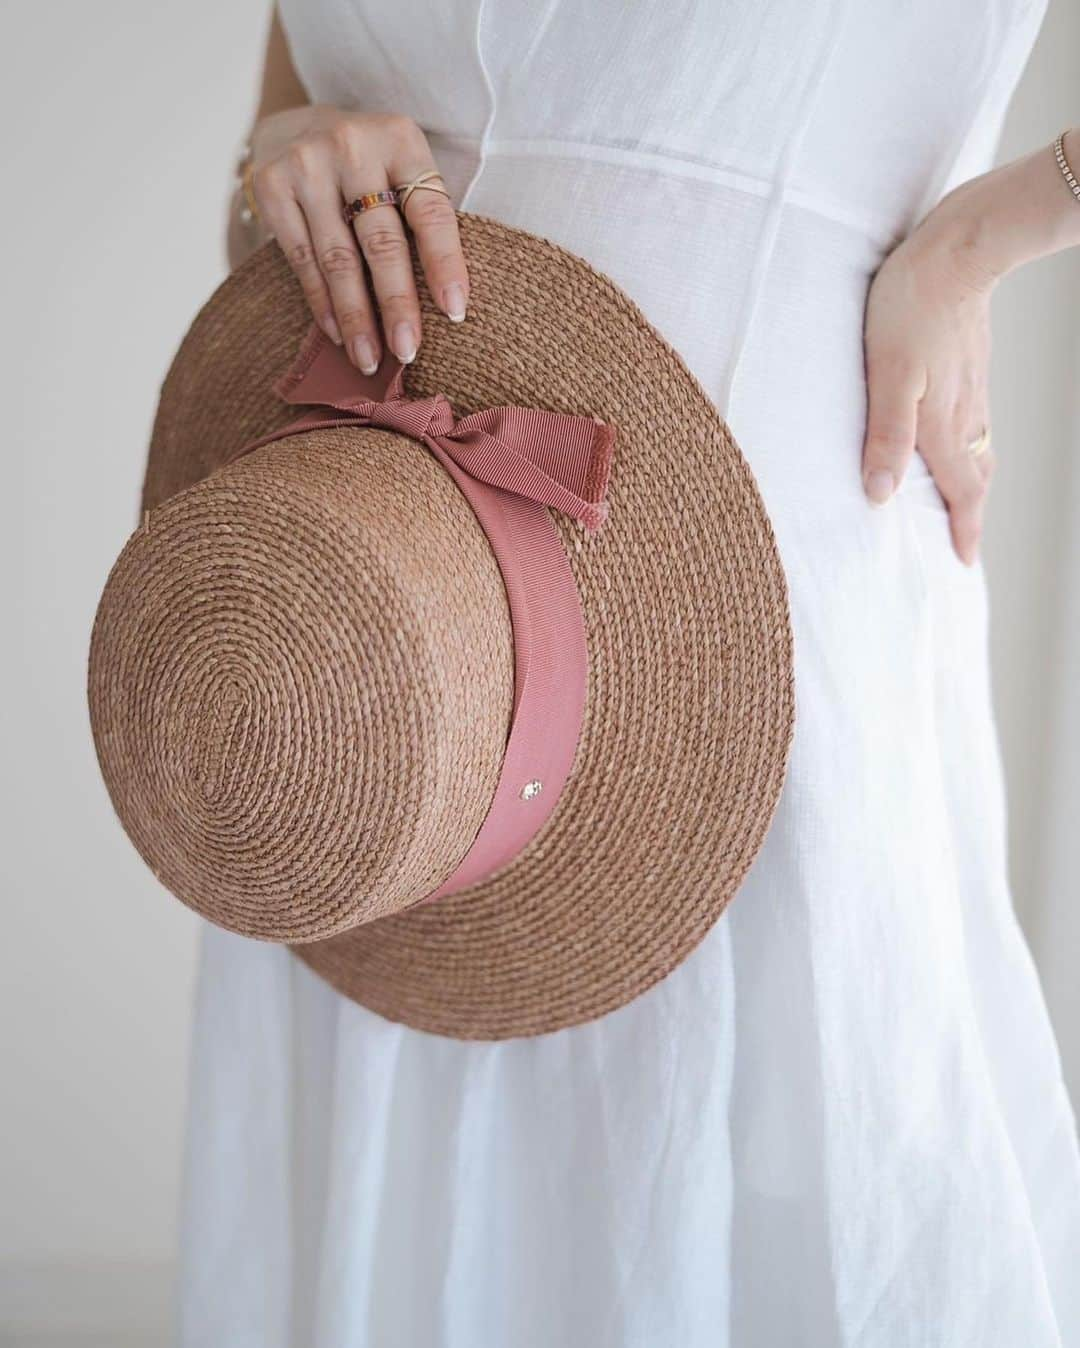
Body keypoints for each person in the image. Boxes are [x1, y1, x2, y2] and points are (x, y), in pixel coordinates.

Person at [178, 2, 1080, 1343]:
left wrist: (982, 237)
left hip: (754, 607)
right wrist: (287, 158)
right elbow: (289, 105)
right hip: (370, 667)